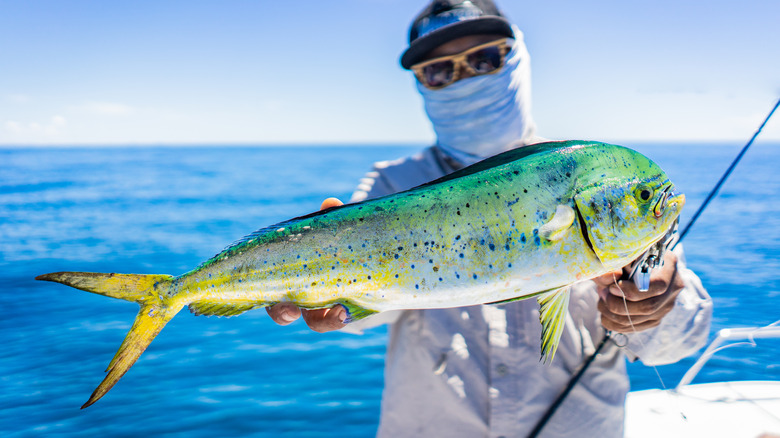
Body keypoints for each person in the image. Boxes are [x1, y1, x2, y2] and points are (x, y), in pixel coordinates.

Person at [267, 1, 713, 436]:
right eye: (439, 71)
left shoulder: (594, 180)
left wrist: (659, 303)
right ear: (421, 84)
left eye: (483, 59)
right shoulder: (393, 184)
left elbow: (676, 345)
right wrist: (323, 297)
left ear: (517, 59)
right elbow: (366, 312)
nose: (464, 78)